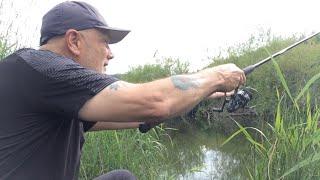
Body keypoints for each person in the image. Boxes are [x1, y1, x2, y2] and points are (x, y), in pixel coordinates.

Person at [0, 1, 246, 180]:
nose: (111, 53)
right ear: (74, 41)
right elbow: (154, 102)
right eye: (105, 42)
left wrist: (204, 95)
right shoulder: (44, 68)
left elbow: (139, 113)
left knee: (121, 178)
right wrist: (218, 76)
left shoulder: (47, 86)